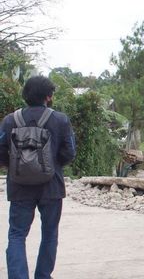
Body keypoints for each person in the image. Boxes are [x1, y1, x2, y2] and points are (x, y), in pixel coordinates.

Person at [0, 76, 76, 279]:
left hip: (19, 186)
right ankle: (43, 276)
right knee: (49, 233)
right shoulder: (60, 120)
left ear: (25, 95)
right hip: (51, 187)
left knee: (17, 234)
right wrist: (51, 165)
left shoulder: (9, 120)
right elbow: (69, 153)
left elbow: (1, 153)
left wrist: (18, 168)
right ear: (49, 97)